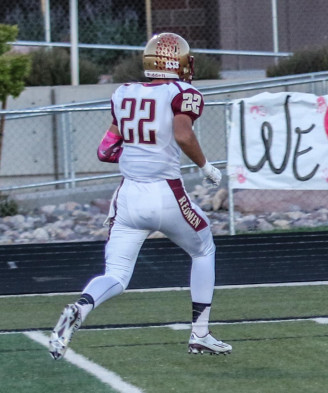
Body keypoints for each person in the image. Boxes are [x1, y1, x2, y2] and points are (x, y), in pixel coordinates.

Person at [48, 32, 230, 360]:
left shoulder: (124, 93)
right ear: (177, 62)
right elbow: (182, 133)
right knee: (203, 248)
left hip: (128, 197)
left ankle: (81, 307)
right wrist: (206, 167)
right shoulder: (182, 91)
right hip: (165, 193)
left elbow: (106, 149)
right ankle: (200, 333)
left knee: (116, 275)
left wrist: (137, 152)